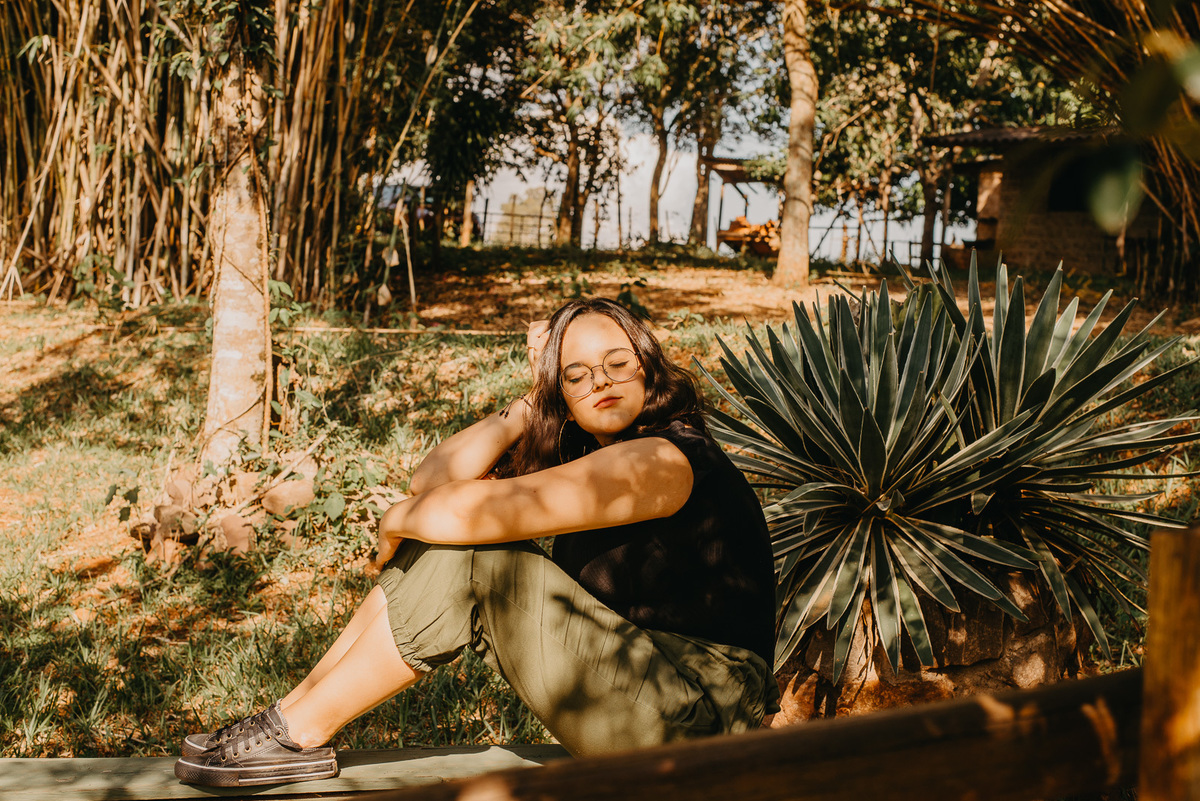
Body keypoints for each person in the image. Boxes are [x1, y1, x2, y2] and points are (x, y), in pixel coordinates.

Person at [174, 297, 779, 788]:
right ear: (559, 394)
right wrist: (526, 406)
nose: (600, 380)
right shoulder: (586, 453)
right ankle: (294, 716)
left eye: (617, 362)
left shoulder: (661, 459)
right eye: (575, 374)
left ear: (649, 366)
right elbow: (434, 481)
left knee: (477, 552)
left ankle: (297, 731)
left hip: (704, 723)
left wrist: (394, 519)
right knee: (438, 544)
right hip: (645, 689)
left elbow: (462, 512)